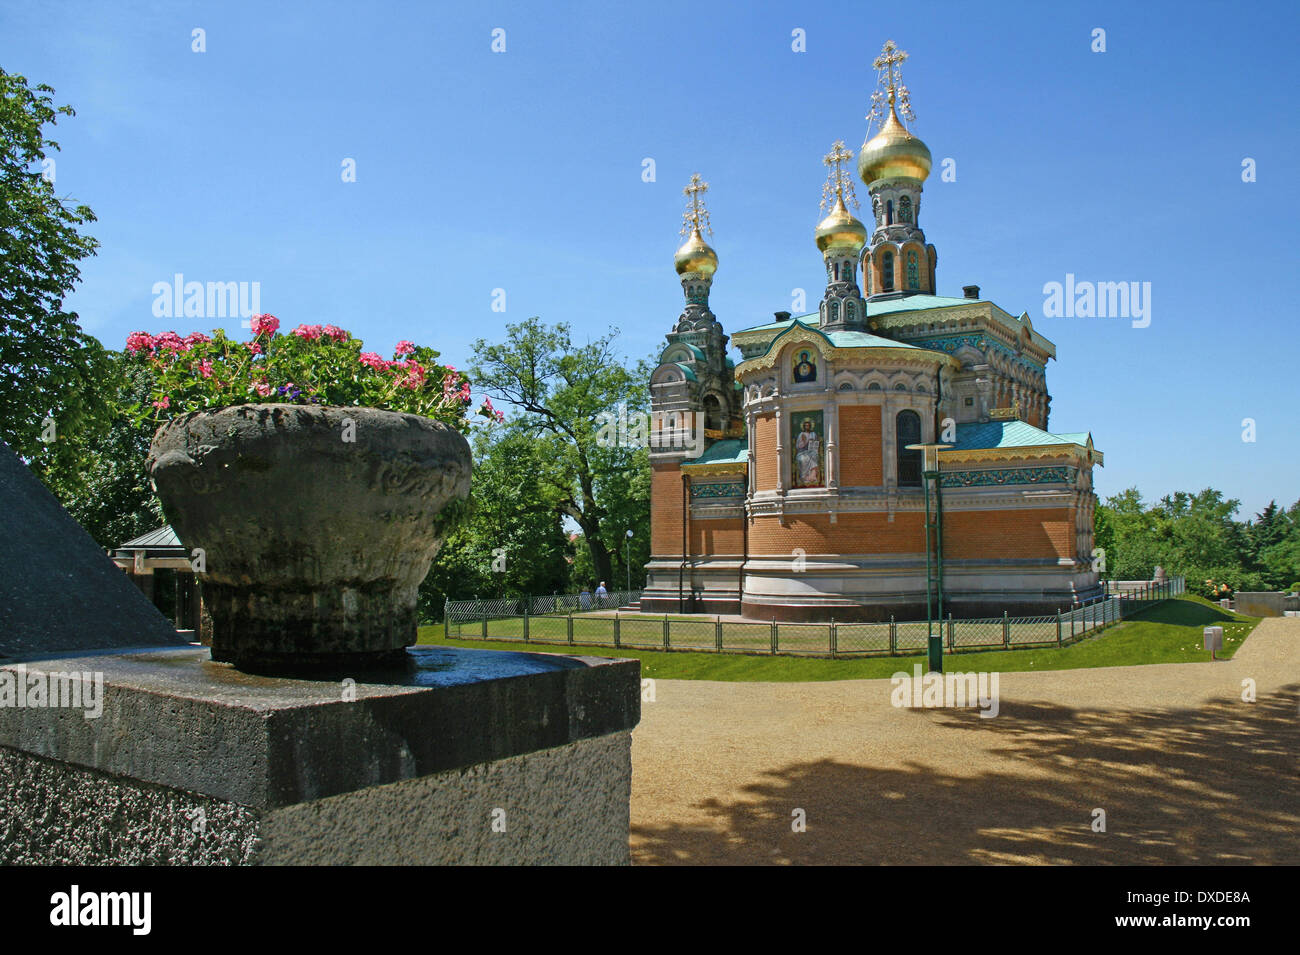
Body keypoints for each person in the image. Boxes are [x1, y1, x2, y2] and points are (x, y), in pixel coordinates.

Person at [794, 419, 822, 487]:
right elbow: (798, 446)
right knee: (803, 459)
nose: (807, 427)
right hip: (803, 452)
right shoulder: (801, 434)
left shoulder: (813, 434)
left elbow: (816, 443)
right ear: (804, 427)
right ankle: (804, 477)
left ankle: (812, 477)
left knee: (814, 456)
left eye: (808, 425)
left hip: (812, 451)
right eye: (806, 426)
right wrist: (804, 442)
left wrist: (814, 443)